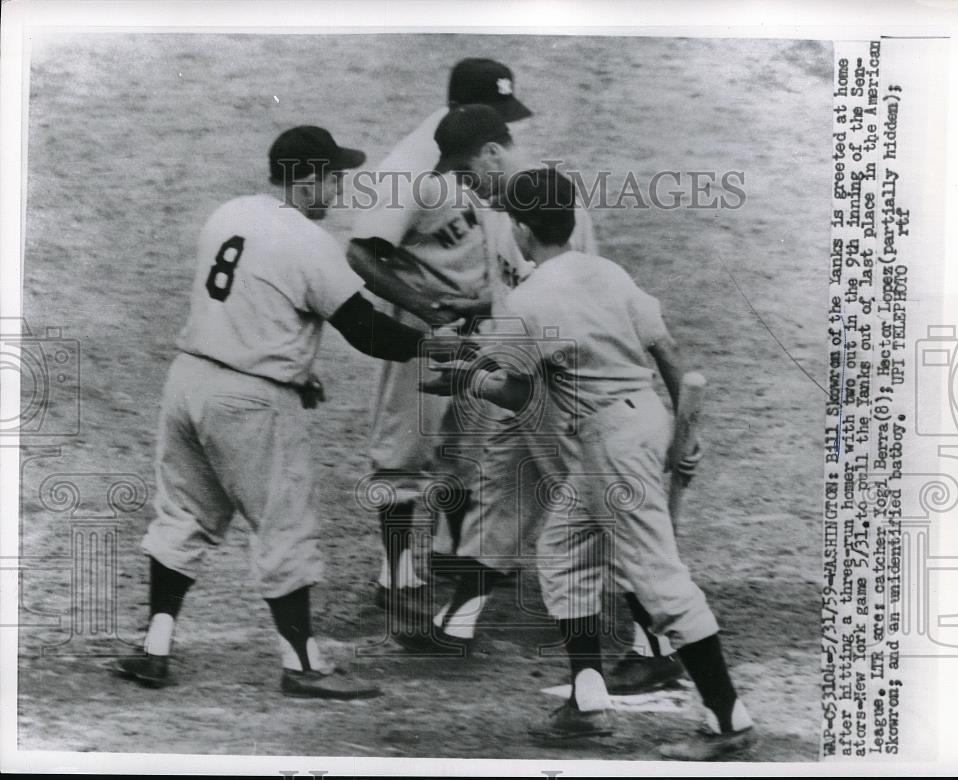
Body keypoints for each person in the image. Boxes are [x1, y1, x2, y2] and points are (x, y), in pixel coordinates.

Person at [112, 126, 455, 699]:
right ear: (305, 178)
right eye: (332, 177)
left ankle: (154, 648)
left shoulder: (228, 213)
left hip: (188, 382)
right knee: (286, 526)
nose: (339, 189)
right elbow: (367, 332)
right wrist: (428, 344)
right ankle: (303, 665)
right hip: (251, 402)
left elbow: (249, 300)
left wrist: (299, 366)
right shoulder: (307, 241)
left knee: (183, 517)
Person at [422, 168, 755, 759]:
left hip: (610, 445)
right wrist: (687, 432)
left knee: (657, 577)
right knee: (564, 550)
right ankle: (586, 702)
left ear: (523, 230)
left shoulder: (528, 301)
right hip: (646, 419)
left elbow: (520, 395)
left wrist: (464, 374)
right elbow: (670, 356)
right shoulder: (609, 272)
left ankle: (728, 720)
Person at [408, 105, 687, 700]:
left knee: (595, 518)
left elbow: (573, 301)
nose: (464, 185)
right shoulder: (505, 210)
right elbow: (512, 293)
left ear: (491, 154)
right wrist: (478, 322)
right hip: (525, 372)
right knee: (501, 491)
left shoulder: (558, 209)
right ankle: (455, 623)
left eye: (467, 171)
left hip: (564, 393)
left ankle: (657, 647)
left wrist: (479, 372)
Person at [346, 59, 533, 616]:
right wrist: (425, 312)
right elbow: (361, 252)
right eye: (495, 115)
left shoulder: (481, 154)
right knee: (404, 454)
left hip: (480, 319)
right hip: (425, 329)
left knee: (463, 448)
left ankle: (451, 554)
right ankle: (396, 579)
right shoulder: (411, 167)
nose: (505, 128)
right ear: (458, 112)